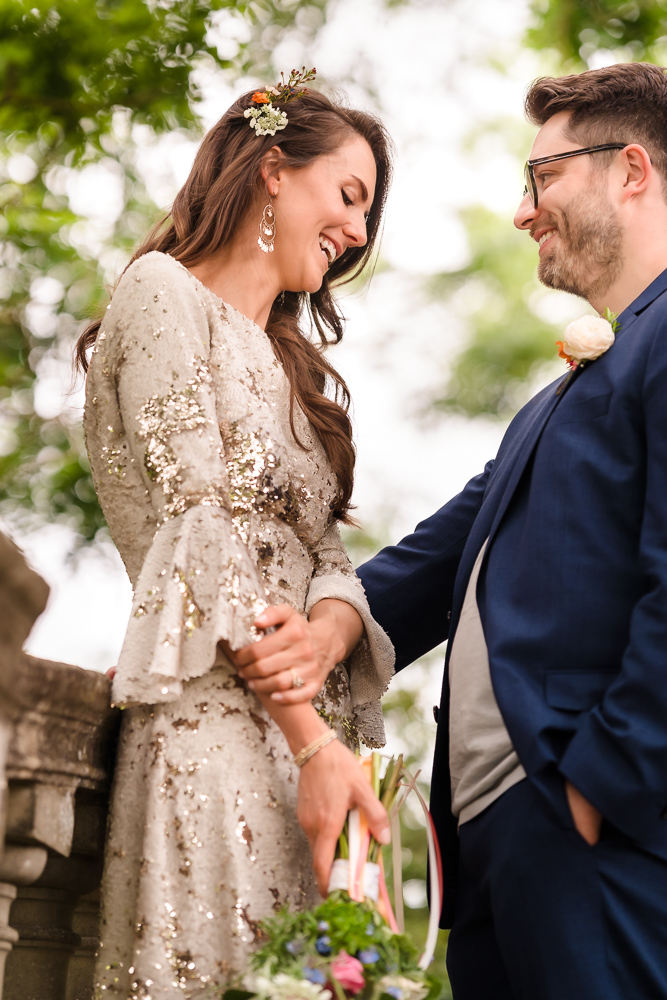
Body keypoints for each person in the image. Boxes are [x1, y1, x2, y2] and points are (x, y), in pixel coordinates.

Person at [244, 62, 667, 998]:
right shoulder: (553, 403)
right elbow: (444, 549)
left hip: (588, 824)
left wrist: (601, 784)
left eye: (542, 177)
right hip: (492, 844)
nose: (523, 211)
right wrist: (332, 625)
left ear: (631, 170)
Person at [77, 77, 395, 998]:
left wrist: (329, 624)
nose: (358, 235)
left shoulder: (293, 375)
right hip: (219, 733)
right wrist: (311, 749)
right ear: (270, 170)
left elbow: (327, 558)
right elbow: (200, 527)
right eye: (348, 195)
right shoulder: (160, 292)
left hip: (318, 748)